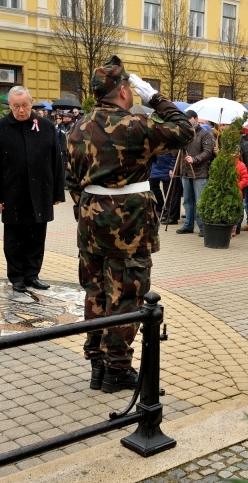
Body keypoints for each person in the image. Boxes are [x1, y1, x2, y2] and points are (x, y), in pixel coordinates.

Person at [66, 55, 193, 393]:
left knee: (95, 293)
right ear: (123, 91)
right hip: (129, 224)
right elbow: (185, 130)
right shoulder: (136, 125)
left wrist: (88, 208)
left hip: (90, 221)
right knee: (126, 295)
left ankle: (97, 364)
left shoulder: (77, 127)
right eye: (131, 89)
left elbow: (71, 179)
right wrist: (156, 98)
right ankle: (117, 369)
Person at [0, 85, 65, 293]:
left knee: (37, 237)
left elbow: (56, 161)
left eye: (25, 105)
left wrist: (57, 192)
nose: (21, 110)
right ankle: (17, 276)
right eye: (16, 106)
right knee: (14, 239)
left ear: (32, 103)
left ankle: (32, 275)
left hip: (41, 191)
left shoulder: (47, 127)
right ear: (9, 106)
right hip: (12, 192)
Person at [174, 109, 215, 237]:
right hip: (186, 172)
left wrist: (195, 159)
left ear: (195, 119)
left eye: (188, 118)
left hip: (200, 173)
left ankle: (203, 227)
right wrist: (177, 143)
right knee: (187, 201)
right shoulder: (184, 133)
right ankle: (188, 225)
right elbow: (174, 153)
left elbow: (208, 152)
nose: (186, 121)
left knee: (200, 201)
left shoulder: (205, 134)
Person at [148, 150, 177, 220]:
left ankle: (168, 212)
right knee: (152, 188)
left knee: (168, 192)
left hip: (167, 164)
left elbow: (175, 154)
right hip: (156, 165)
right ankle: (159, 208)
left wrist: (172, 167)